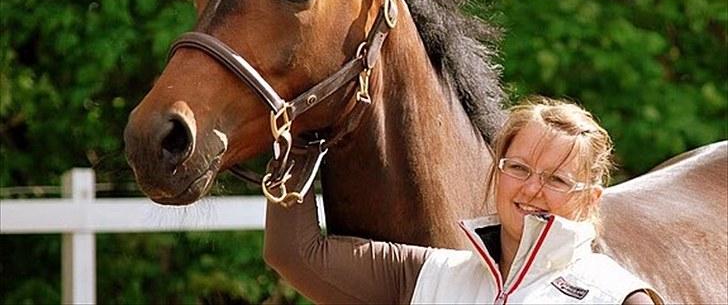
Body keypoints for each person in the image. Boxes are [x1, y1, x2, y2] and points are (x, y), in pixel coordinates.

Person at [264, 98, 664, 304]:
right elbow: (294, 253)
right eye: (519, 169)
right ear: (498, 171)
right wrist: (298, 133)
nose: (531, 190)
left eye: (556, 179)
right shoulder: (431, 276)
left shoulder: (619, 296)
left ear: (591, 199)